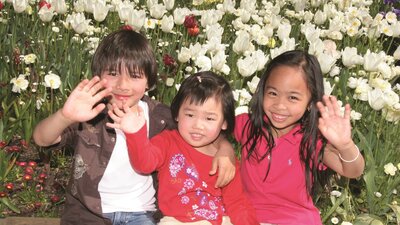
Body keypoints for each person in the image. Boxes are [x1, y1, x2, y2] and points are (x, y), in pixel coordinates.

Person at [32, 30, 236, 225]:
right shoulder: (89, 113)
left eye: (135, 76)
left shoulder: (162, 118)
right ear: (98, 74)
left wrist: (225, 150)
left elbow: (200, 132)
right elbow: (42, 139)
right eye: (113, 73)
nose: (123, 84)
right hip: (88, 214)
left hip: (143, 214)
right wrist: (65, 116)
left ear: (149, 81)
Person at [107, 71, 259, 225]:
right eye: (190, 115)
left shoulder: (225, 160)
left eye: (209, 118)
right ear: (177, 114)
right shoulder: (167, 141)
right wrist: (135, 133)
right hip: (177, 221)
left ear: (224, 122)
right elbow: (144, 164)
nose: (198, 125)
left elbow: (238, 203)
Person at [234, 50, 365, 225]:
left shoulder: (311, 140)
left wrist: (345, 145)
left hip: (295, 220)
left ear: (310, 104)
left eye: (293, 98)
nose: (280, 105)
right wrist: (224, 151)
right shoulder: (247, 126)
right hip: (247, 217)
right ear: (262, 91)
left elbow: (353, 171)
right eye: (272, 93)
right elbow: (210, 134)